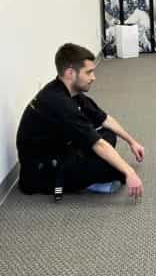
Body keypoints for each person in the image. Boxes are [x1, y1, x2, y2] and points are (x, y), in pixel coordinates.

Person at [16, 43, 144, 200]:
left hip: (60, 149)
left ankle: (88, 174)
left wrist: (132, 142)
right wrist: (129, 172)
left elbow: (104, 119)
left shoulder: (68, 90)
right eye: (89, 72)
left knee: (108, 135)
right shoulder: (59, 103)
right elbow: (98, 144)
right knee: (115, 169)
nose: (93, 77)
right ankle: (88, 183)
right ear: (70, 73)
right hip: (41, 172)